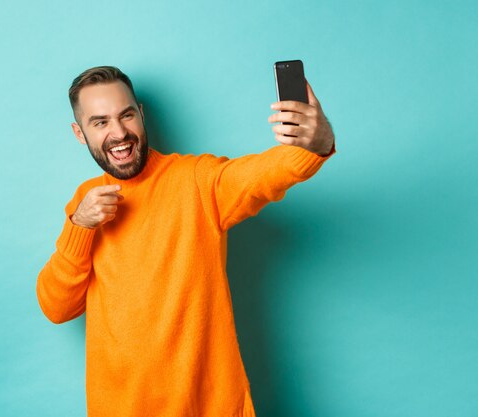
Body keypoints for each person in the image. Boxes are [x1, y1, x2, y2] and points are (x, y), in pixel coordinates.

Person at [36, 65, 335, 417]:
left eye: (126, 115)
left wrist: (318, 143)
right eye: (100, 122)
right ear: (79, 133)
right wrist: (80, 226)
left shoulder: (196, 180)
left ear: (141, 115)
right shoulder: (85, 203)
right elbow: (57, 307)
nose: (119, 133)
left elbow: (263, 175)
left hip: (209, 406)